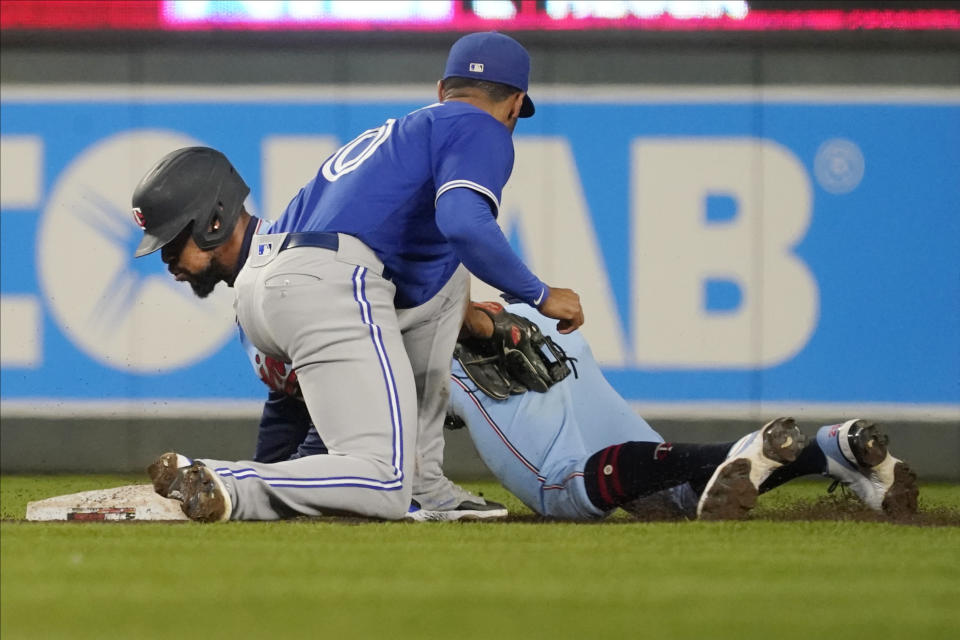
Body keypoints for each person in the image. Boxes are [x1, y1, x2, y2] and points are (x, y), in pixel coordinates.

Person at [134, 31, 584, 522]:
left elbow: (434, 253)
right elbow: (463, 222)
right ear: (515, 104)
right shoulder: (481, 127)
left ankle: (426, 487)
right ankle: (231, 481)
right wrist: (538, 294)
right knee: (381, 484)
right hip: (331, 281)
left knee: (446, 276)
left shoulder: (397, 135)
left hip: (269, 284)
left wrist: (467, 315)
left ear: (441, 89)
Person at [445, 302, 919, 521]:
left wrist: (477, 322)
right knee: (673, 497)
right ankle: (830, 450)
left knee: (562, 491)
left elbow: (429, 285)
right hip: (543, 336)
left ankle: (745, 449)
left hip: (480, 353)